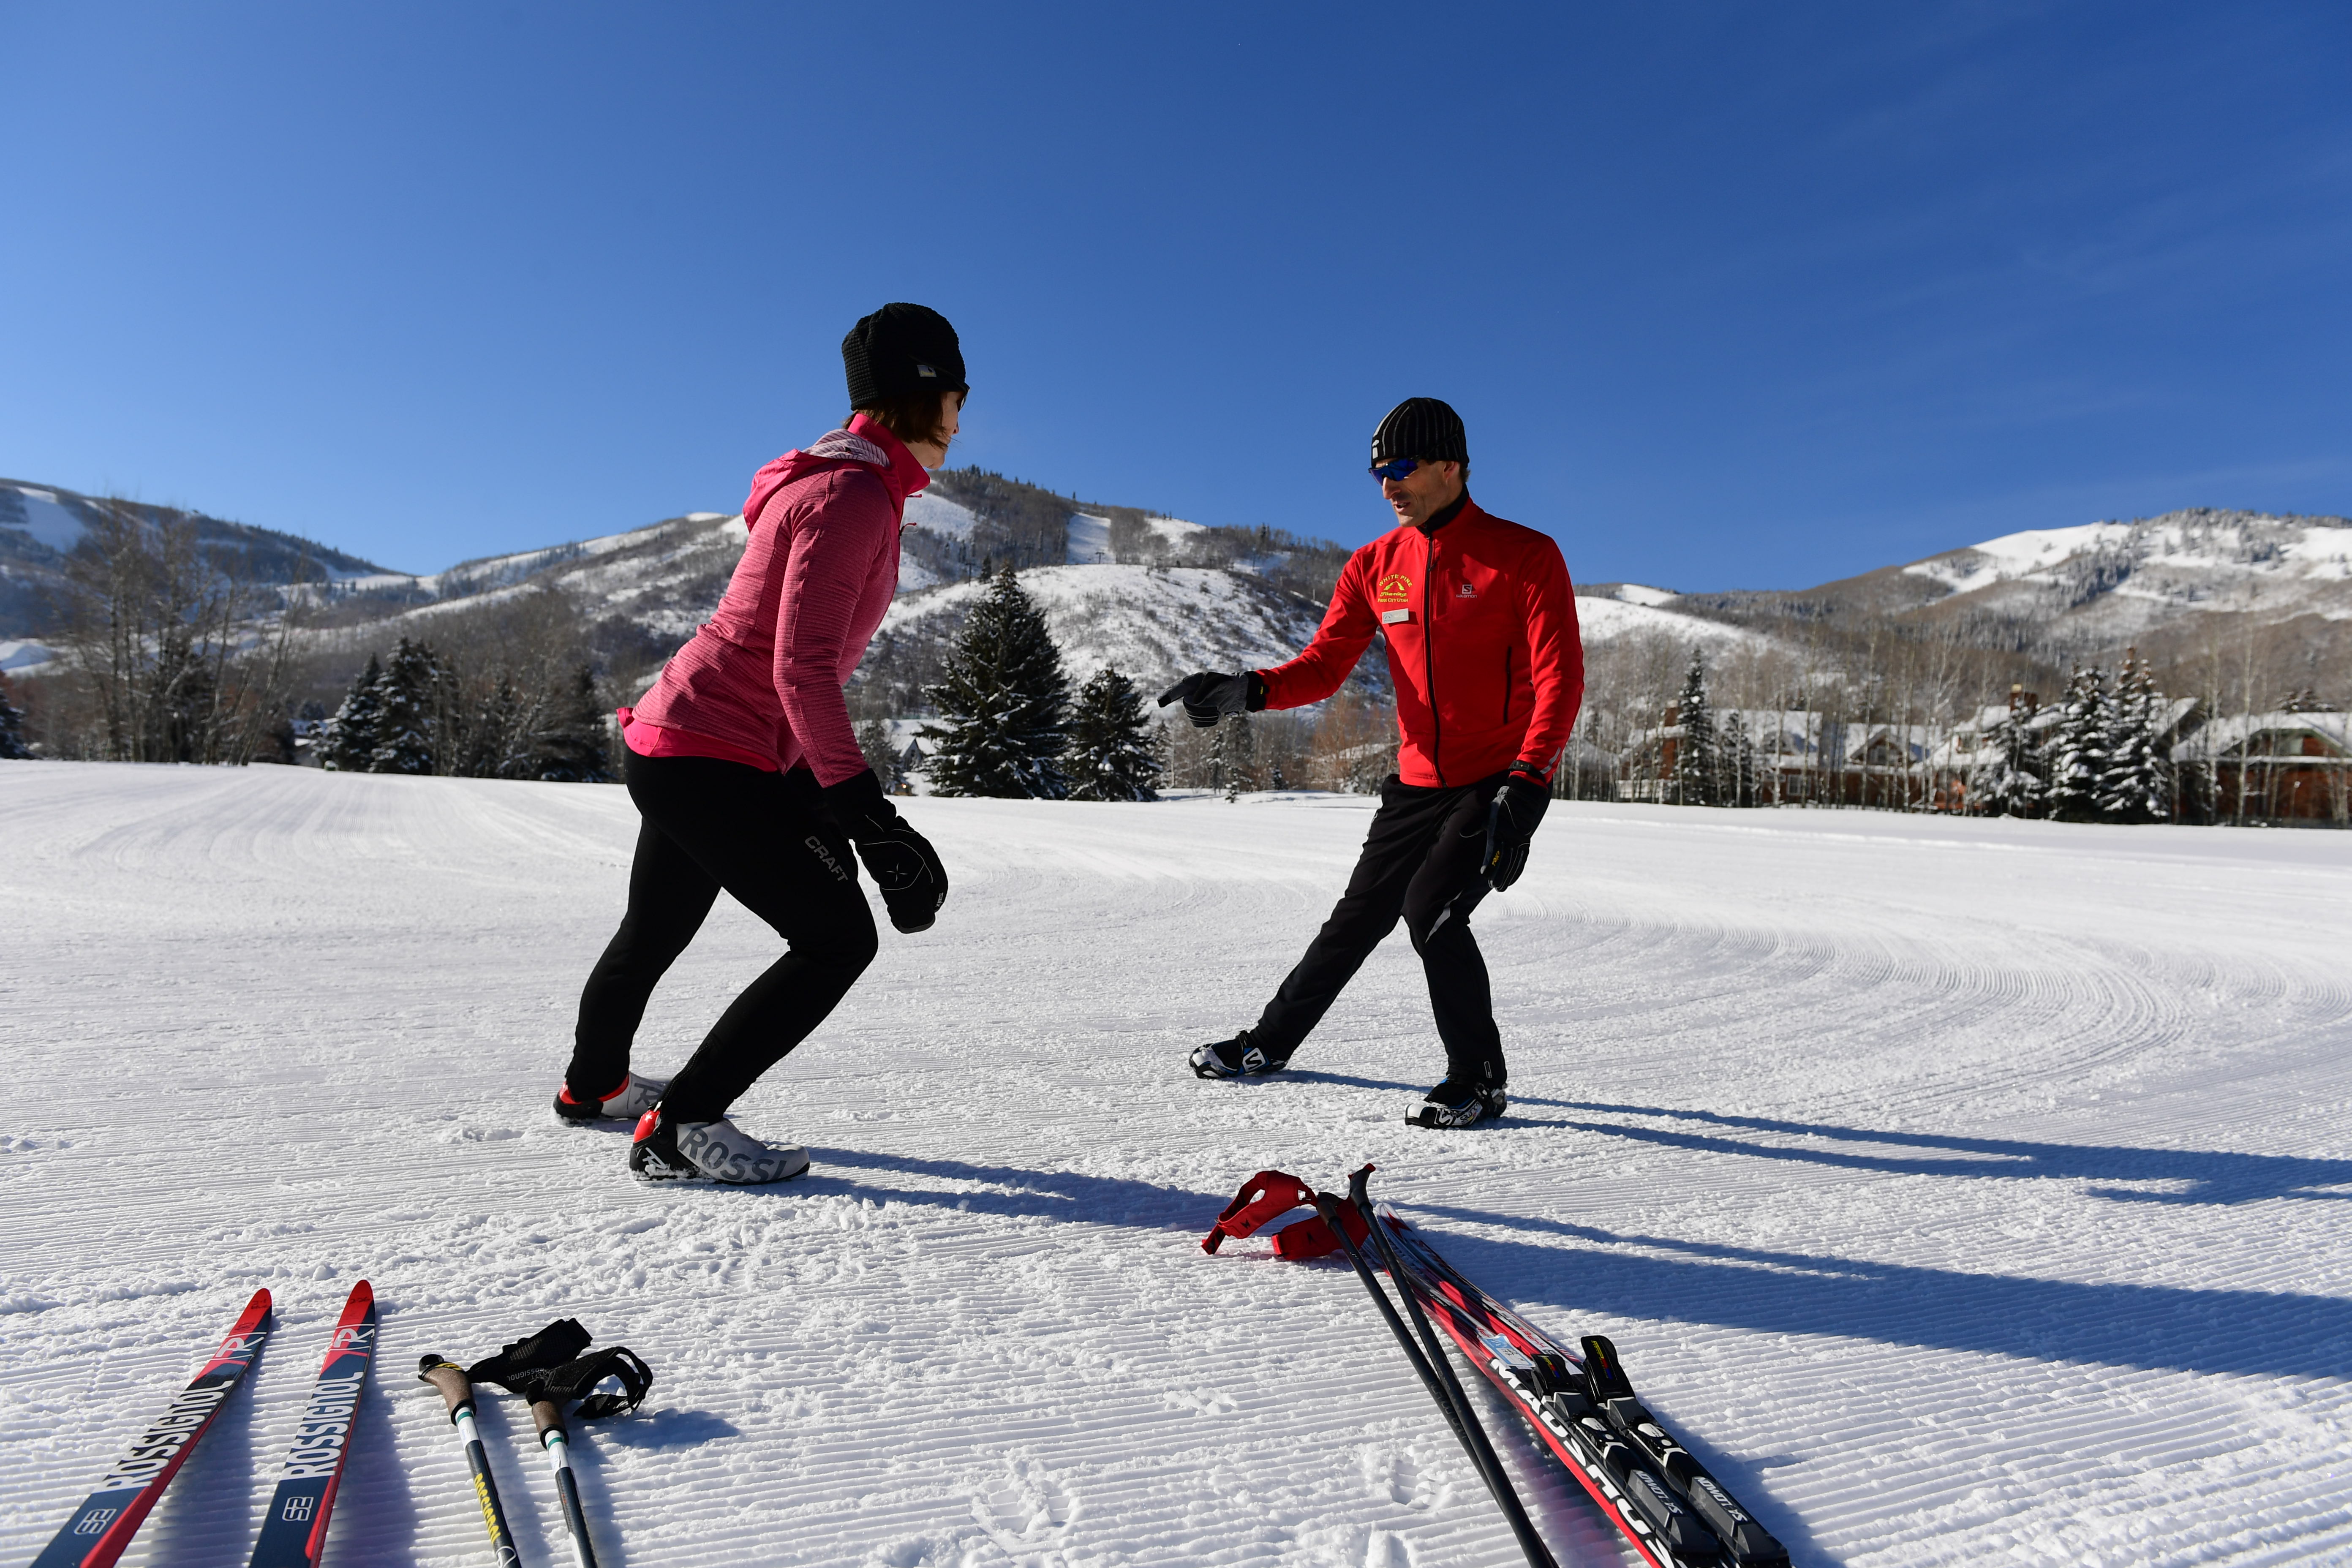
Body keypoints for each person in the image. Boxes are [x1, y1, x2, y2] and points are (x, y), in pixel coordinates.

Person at [555, 303, 962, 1183]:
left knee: (655, 927)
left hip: (685, 738)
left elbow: (791, 667)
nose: (963, 420)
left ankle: (594, 1086)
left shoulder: (845, 481)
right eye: (958, 395)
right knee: (837, 940)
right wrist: (863, 809)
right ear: (928, 397)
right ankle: (682, 1126)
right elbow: (802, 667)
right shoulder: (853, 494)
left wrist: (816, 785)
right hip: (712, 751)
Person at [1159, 397, 1582, 1128]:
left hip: (1496, 779)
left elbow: (1561, 678)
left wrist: (1529, 782)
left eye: (1403, 469)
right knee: (1357, 918)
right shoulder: (1374, 566)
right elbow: (1323, 668)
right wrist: (1245, 691)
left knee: (1434, 913)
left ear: (1452, 467)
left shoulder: (1524, 555)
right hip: (1417, 783)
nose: (1388, 485)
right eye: (1378, 472)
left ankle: (1479, 1080)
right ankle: (1270, 1044)